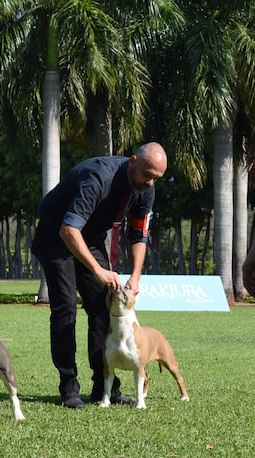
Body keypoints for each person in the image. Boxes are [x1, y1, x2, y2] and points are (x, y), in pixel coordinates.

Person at [31, 142, 168, 409]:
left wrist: (136, 276)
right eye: (147, 174)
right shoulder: (99, 177)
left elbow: (138, 234)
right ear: (133, 161)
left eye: (156, 178)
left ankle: (105, 387)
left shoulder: (146, 190)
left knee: (104, 306)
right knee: (65, 307)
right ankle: (69, 388)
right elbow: (69, 230)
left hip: (90, 237)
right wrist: (98, 270)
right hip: (56, 234)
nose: (150, 182)